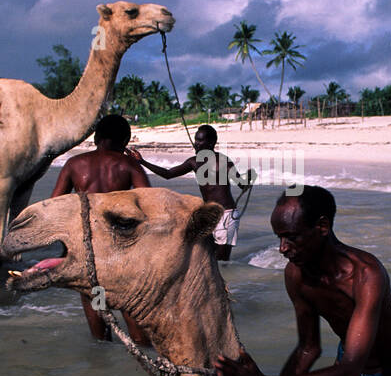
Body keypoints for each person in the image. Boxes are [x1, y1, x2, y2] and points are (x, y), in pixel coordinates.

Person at [213, 185, 391, 376]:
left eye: (291, 236)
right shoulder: (296, 275)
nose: (282, 248)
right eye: (279, 237)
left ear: (322, 226)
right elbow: (308, 349)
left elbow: (350, 371)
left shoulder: (366, 275)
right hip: (349, 362)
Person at [50, 114, 151, 345]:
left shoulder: (75, 164)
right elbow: (149, 205)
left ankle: (101, 362)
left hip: (87, 251)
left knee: (97, 303)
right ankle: (145, 360)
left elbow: (55, 204)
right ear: (124, 140)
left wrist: (65, 247)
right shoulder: (128, 165)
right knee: (129, 304)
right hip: (120, 249)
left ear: (96, 137)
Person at [129, 124, 252, 261]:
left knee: (221, 260)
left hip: (227, 214)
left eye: (200, 141)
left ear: (211, 143)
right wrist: (142, 161)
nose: (196, 144)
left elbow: (242, 185)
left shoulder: (223, 161)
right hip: (209, 214)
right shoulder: (194, 162)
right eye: (196, 140)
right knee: (206, 258)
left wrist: (248, 181)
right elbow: (168, 174)